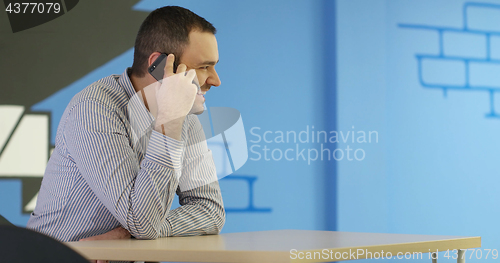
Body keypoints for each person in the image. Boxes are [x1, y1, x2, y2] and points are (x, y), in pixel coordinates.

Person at [27, 6, 225, 243]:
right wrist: (169, 121)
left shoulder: (186, 121)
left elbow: (211, 211)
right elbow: (142, 223)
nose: (216, 80)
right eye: (204, 67)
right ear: (160, 66)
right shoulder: (94, 109)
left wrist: (127, 233)